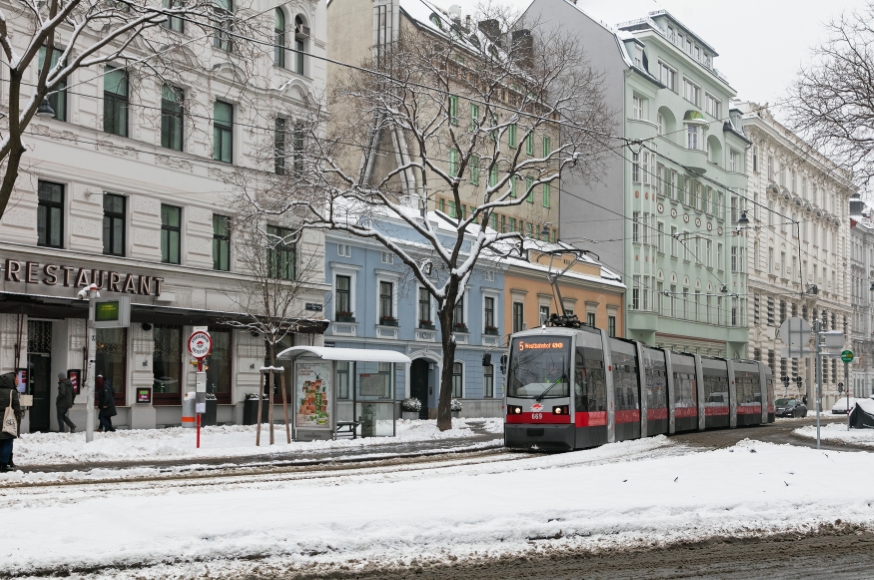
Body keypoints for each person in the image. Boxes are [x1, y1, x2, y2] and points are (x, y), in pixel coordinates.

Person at [0, 372, 23, 472]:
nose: (18, 380)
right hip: (7, 421)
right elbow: (16, 408)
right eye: (16, 378)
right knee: (7, 442)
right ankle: (4, 465)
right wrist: (19, 415)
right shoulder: (12, 392)